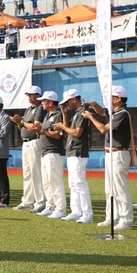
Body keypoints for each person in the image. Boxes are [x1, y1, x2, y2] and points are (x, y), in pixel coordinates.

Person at [83, 85, 134, 230]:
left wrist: (91, 116)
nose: (108, 100)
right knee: (110, 188)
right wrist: (94, 105)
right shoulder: (115, 112)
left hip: (118, 153)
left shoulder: (122, 113)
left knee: (120, 188)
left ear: (118, 99)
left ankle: (126, 219)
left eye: (111, 97)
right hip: (111, 153)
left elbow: (103, 129)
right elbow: (102, 112)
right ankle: (111, 216)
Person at [54, 89, 93, 223]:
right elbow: (67, 128)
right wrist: (64, 114)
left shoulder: (82, 112)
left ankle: (87, 213)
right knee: (73, 184)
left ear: (74, 99)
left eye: (67, 102)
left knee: (79, 183)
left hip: (78, 151)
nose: (66, 105)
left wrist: (63, 127)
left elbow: (76, 132)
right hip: (72, 151)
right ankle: (76, 211)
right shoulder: (76, 113)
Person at [12, 86, 46, 212]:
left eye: (32, 94)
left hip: (34, 142)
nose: (29, 96)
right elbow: (22, 127)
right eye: (28, 94)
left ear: (38, 95)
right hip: (25, 143)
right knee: (27, 173)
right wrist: (18, 122)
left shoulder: (40, 108)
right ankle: (27, 201)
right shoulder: (28, 109)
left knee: (36, 173)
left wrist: (21, 121)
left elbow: (36, 126)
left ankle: (40, 202)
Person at [35, 91, 67, 219]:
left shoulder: (58, 114)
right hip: (45, 152)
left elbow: (58, 134)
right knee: (47, 182)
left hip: (54, 152)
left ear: (49, 102)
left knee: (55, 182)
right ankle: (50, 205)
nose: (42, 103)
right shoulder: (47, 115)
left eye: (44, 101)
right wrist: (39, 131)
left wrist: (42, 130)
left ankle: (60, 208)